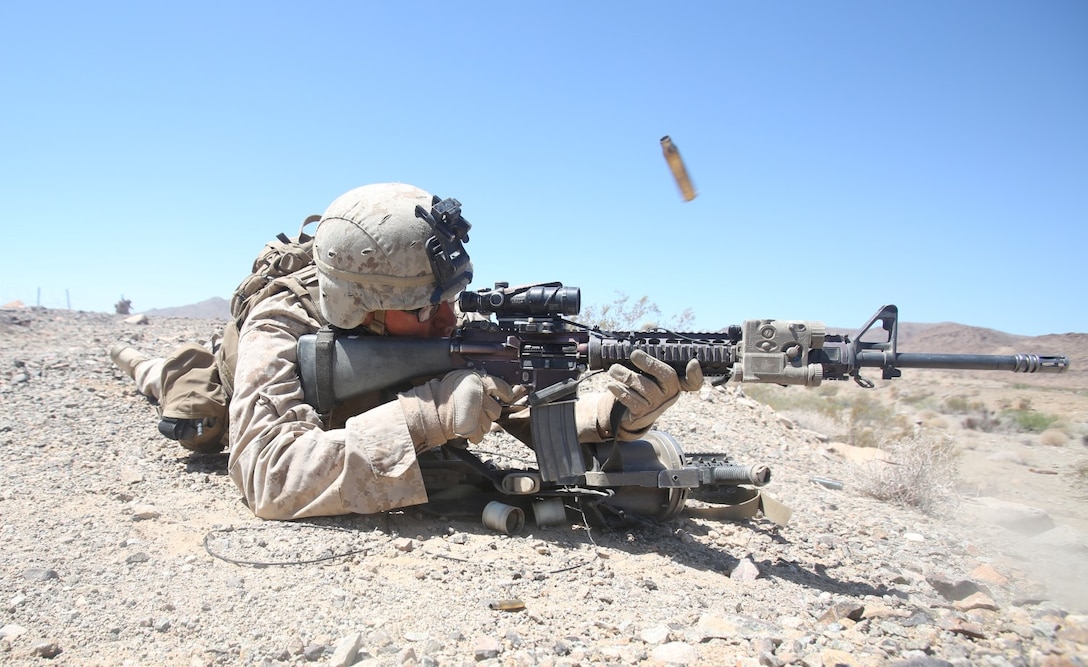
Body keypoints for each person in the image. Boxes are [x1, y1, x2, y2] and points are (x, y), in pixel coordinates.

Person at [110, 183, 703, 520]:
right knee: (190, 409)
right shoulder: (281, 324)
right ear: (359, 305)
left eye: (450, 298)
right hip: (227, 380)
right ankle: (142, 363)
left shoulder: (439, 325)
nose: (449, 317)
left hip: (355, 404)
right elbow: (270, 480)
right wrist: (430, 414)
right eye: (427, 306)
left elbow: (528, 414)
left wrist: (617, 415)